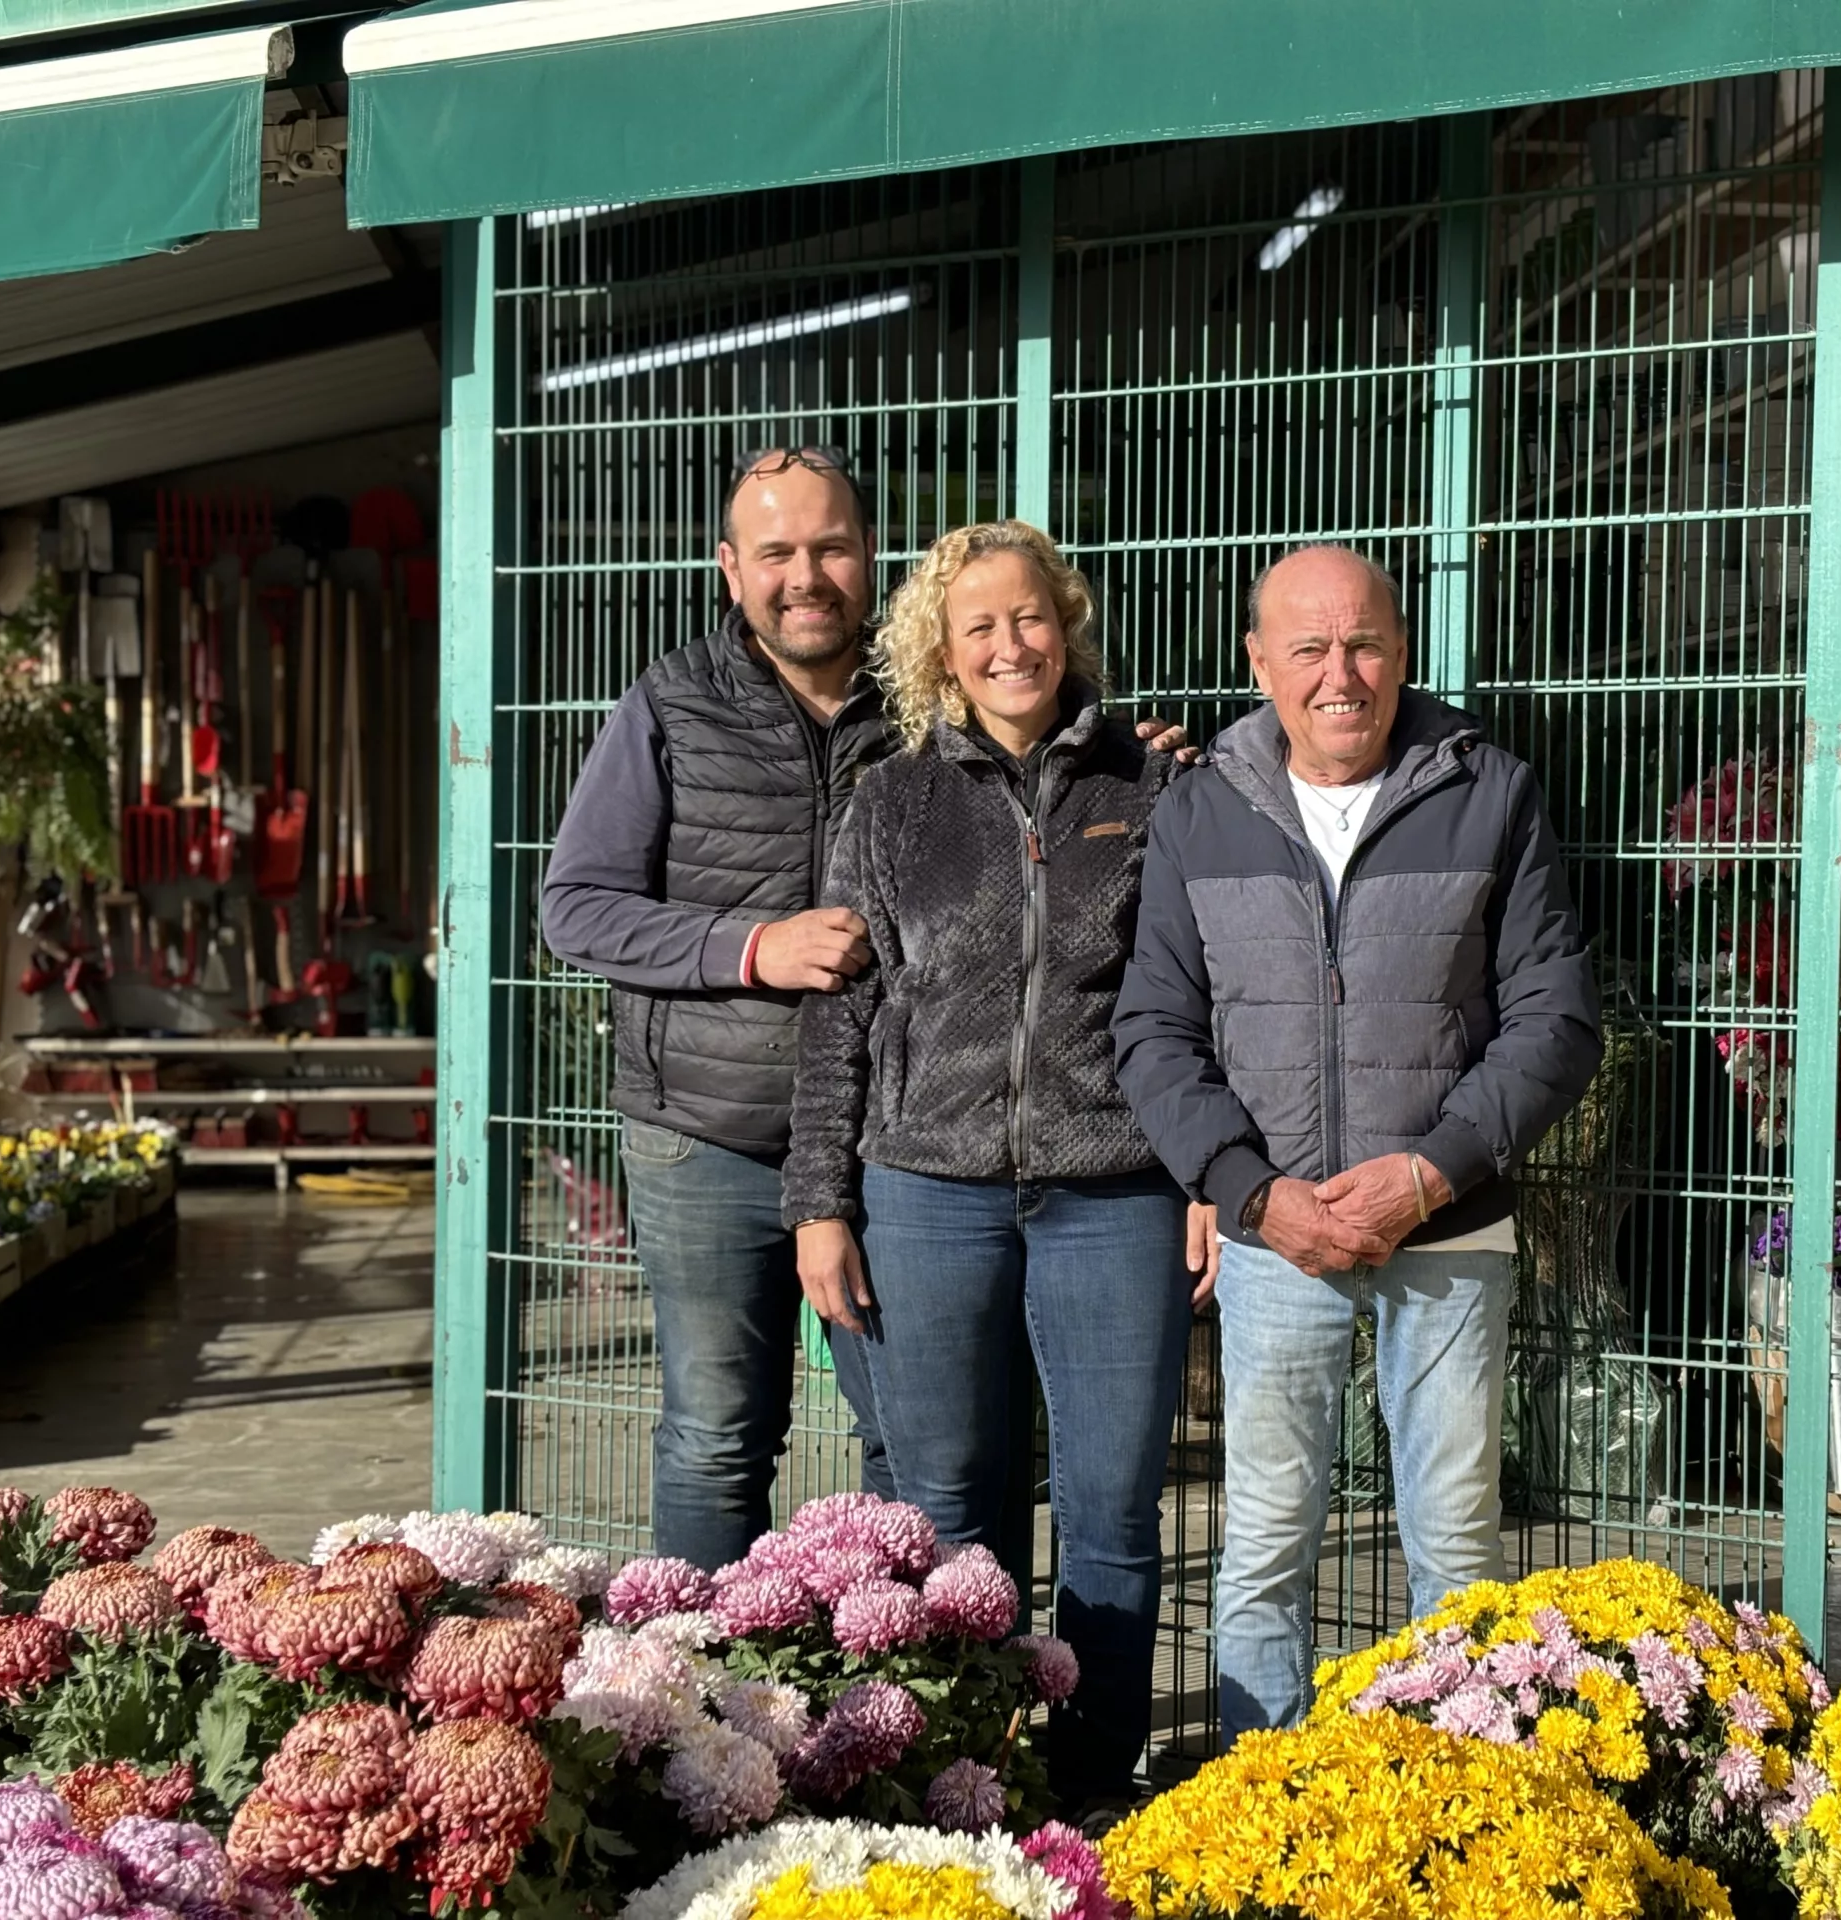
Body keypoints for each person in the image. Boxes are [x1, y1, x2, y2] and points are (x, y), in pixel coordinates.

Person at [541, 452, 1189, 1573]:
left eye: (831, 548)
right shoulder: (672, 703)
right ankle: (686, 1708)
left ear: (870, 560)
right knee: (716, 1437)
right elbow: (575, 909)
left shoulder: (928, 709)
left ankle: (907, 1703)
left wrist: (1142, 761)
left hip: (889, 1146)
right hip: (709, 1132)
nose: (807, 576)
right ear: (729, 569)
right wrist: (749, 948)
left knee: (913, 1454)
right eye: (778, 554)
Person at [1111, 543, 1602, 1741]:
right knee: (1267, 1543)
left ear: (1402, 650)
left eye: (1366, 643)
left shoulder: (1489, 791)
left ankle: (1462, 1798)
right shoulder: (1199, 808)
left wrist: (1432, 1171)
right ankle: (1258, 1796)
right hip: (1280, 1238)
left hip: (1450, 1227)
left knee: (1455, 1547)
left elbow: (1555, 1018)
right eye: (1310, 648)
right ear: (1260, 663)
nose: (1342, 674)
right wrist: (1250, 1193)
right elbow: (1152, 1028)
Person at [781, 520, 1214, 1813]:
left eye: (1030, 617)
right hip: (926, 1189)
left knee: (1112, 1512)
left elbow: (1196, 1000)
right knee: (945, 1506)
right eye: (981, 626)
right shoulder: (890, 801)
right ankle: (963, 1784)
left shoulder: (1154, 784)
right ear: (942, 651)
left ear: (1065, 626)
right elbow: (840, 1015)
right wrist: (820, 1204)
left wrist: (1204, 1172)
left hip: (1116, 1188)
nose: (1010, 643)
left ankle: (1089, 1787)